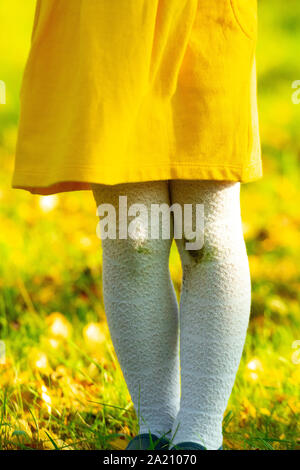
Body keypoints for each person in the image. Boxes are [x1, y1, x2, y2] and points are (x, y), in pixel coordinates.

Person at [12, 0, 262, 451]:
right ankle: (155, 425)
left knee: (204, 233)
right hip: (102, 21)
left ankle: (201, 433)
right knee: (132, 236)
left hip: (203, 16)